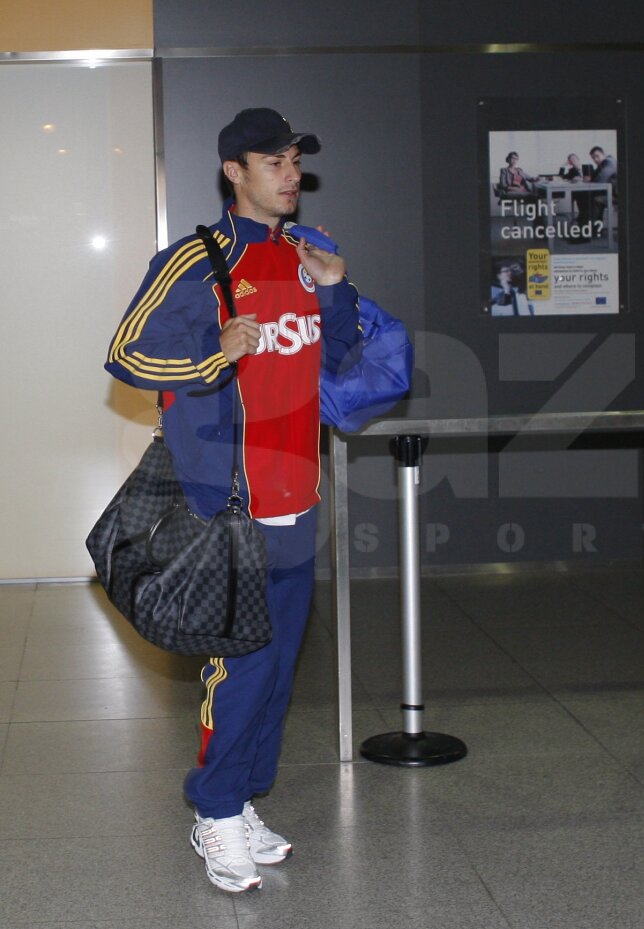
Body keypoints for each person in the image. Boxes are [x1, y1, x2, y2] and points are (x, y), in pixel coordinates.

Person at [103, 107, 361, 894]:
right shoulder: (195, 259)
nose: (291, 174)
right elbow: (126, 352)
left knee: (278, 667)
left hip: (298, 495)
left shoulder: (303, 255)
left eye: (295, 160)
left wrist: (339, 292)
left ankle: (243, 797)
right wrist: (212, 355)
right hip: (232, 503)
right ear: (234, 172)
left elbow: (340, 359)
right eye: (273, 161)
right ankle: (213, 809)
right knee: (239, 665)